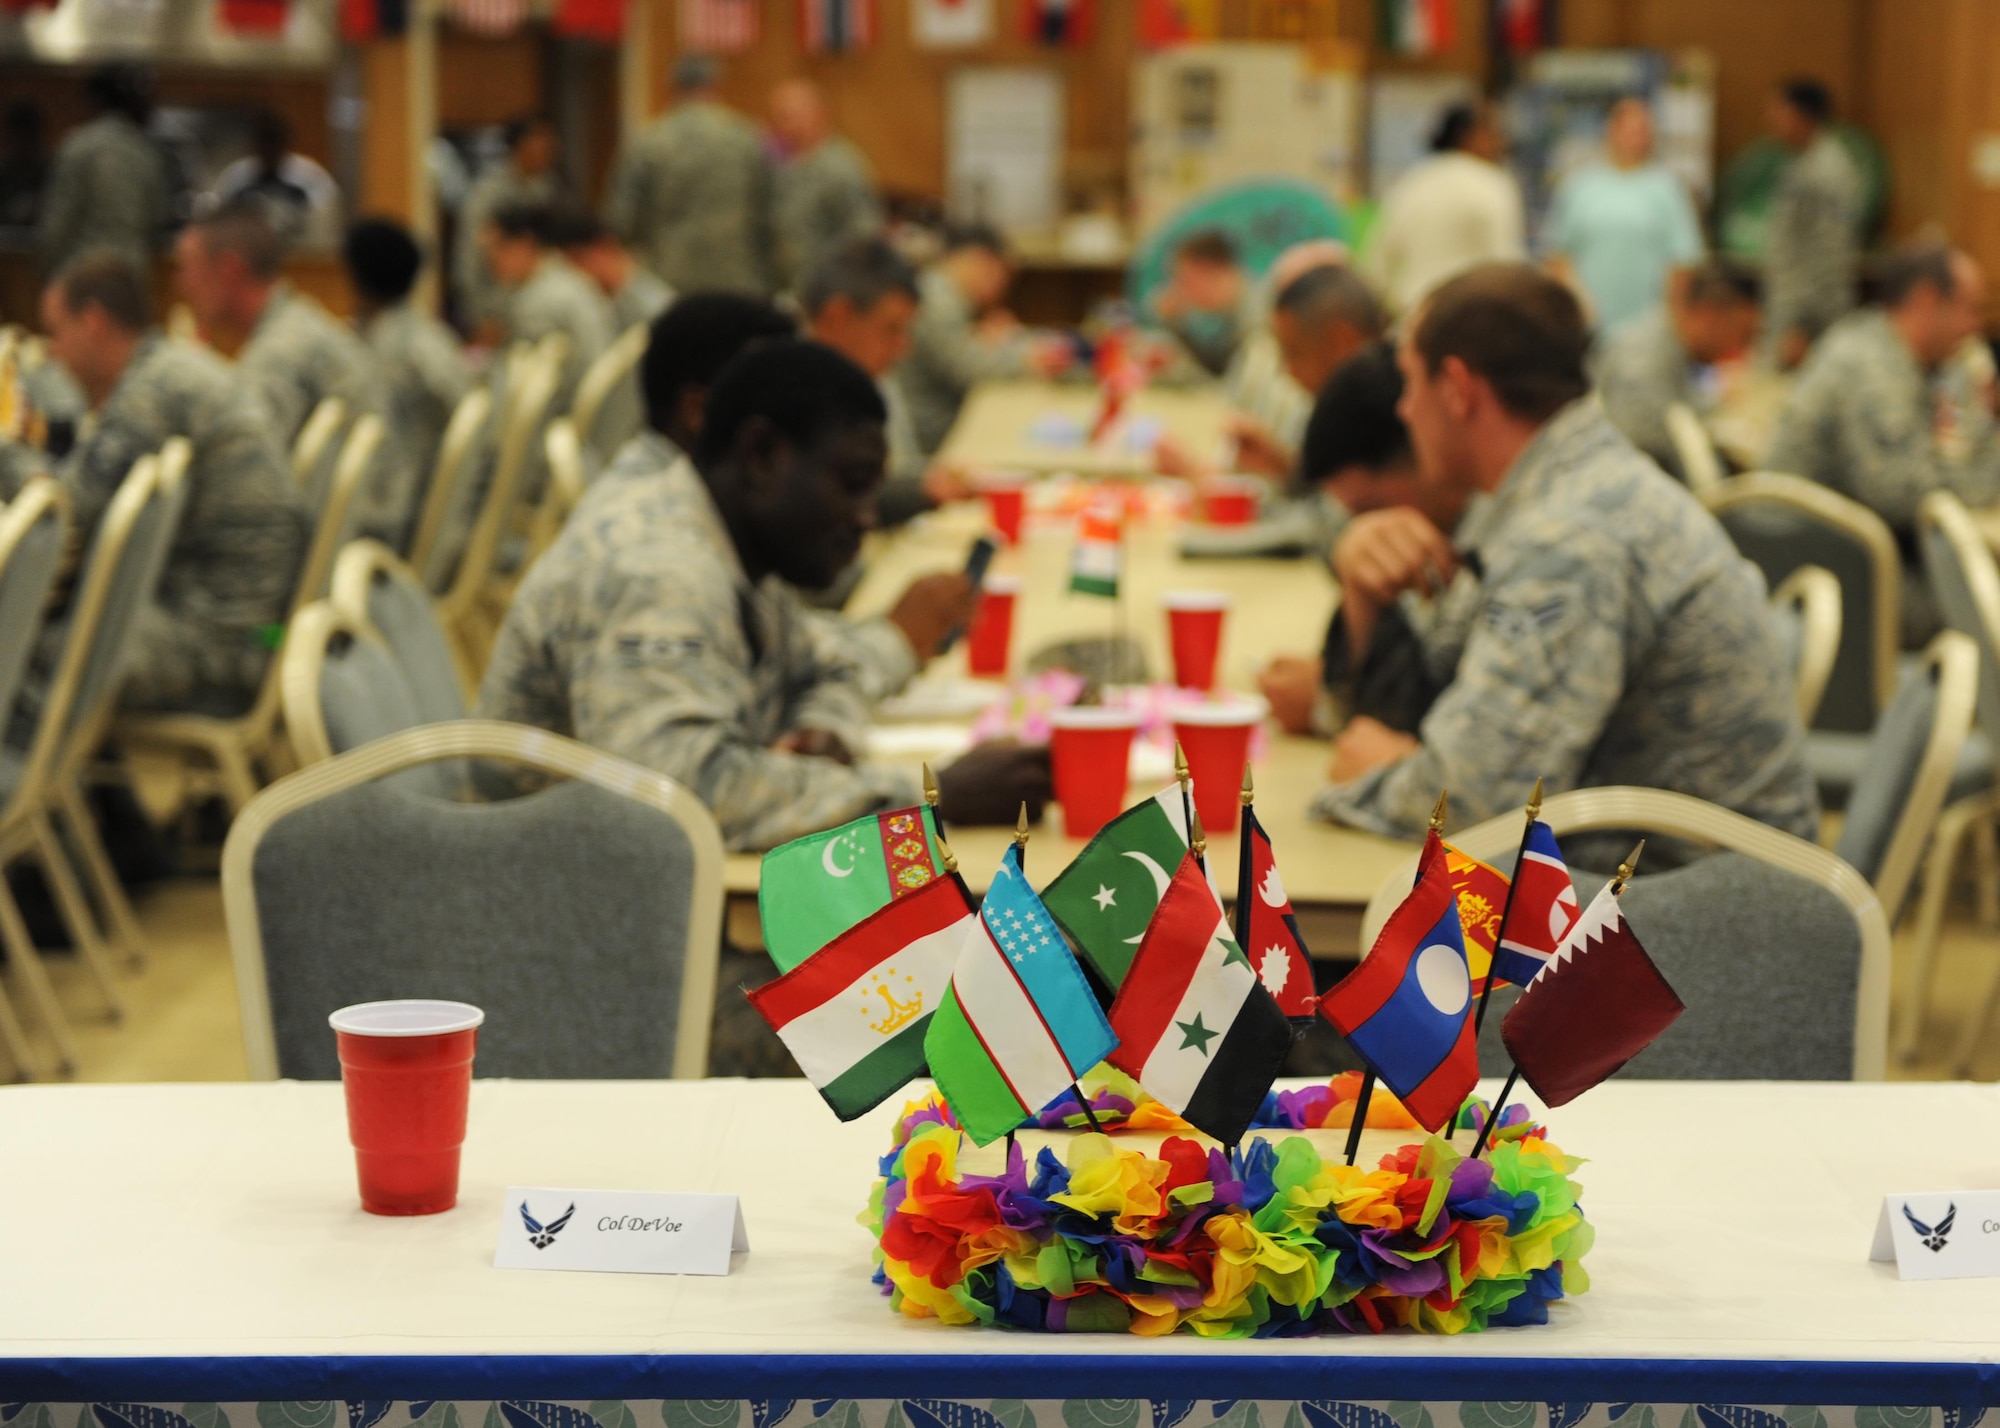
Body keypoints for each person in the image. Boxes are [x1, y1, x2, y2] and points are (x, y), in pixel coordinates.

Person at [1311, 263, 1816, 843]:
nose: (1402, 410)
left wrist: (1390, 776)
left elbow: (1471, 804)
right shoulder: (1555, 491)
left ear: (1456, 389)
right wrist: (1362, 591)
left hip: (1693, 909)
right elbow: (1439, 689)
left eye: (1410, 383)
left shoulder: (1571, 533)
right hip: (1661, 883)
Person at [476, 338, 1045, 852]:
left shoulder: (740, 546)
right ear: (763, 454)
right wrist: (931, 795)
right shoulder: (657, 569)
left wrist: (828, 734)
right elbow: (680, 800)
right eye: (852, 484)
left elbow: (822, 671)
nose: (868, 518)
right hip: (542, 906)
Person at [0, 249, 307, 718]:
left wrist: (5, 451)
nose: (54, 353)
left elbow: (61, 517)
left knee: (16, 636)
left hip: (229, 642)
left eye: (57, 332)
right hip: (259, 625)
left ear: (93, 322)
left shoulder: (154, 393)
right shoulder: (173, 367)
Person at [1765, 244, 1999, 644]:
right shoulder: (1875, 368)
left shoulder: (1874, 343)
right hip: (1837, 583)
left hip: (1822, 568)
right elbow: (1902, 494)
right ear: (1927, 299)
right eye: (1969, 308)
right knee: (1984, 606)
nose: (1974, 328)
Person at [1257, 341, 1470, 738]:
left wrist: (1329, 708)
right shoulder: (1435, 539)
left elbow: (1438, 733)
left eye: (1371, 507)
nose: (1367, 530)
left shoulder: (1498, 543)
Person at [176, 200, 411, 541]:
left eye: (188, 268)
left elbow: (239, 483)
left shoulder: (277, 356)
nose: (182, 284)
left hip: (349, 542)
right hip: (372, 525)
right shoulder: (299, 323)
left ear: (228, 270)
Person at [801, 235, 967, 526]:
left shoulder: (871, 376)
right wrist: (921, 490)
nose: (902, 349)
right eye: (891, 329)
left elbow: (894, 468)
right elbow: (830, 498)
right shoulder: (789, 389)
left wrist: (930, 478)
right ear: (837, 316)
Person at [899, 222, 1070, 456]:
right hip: (938, 433)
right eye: (1005, 273)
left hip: (949, 421)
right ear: (982, 261)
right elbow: (969, 370)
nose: (1005, 287)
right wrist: (1026, 359)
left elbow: (969, 352)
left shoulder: (945, 294)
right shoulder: (936, 302)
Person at [607, 55, 772, 297]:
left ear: (673, 88)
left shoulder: (649, 142)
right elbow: (771, 211)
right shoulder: (748, 138)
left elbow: (620, 218)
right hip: (737, 276)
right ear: (715, 86)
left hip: (668, 278)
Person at [343, 217, 471, 524]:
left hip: (407, 514)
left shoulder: (388, 353)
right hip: (447, 504)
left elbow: (383, 462)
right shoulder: (430, 333)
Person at [1544, 96, 1704, 333]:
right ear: (1610, 131)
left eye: (1643, 131)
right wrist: (1577, 305)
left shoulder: (1669, 189)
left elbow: (1683, 260)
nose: (1636, 139)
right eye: (1628, 130)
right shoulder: (1579, 186)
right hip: (1587, 326)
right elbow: (1557, 255)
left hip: (1647, 328)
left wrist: (1670, 317)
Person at [1596, 257, 1762, 476]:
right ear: (1708, 315)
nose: (1746, 350)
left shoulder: (1669, 351)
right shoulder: (1643, 364)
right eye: (1744, 334)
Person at [1361, 101, 1525, 315]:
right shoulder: (1492, 183)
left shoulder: (1412, 182)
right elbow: (1506, 263)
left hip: (1412, 315)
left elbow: (1378, 263)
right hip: (1470, 317)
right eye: (1494, 131)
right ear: (1469, 136)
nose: (1502, 141)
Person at [1762, 78, 1864, 370]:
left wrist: (1802, 326)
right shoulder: (1803, 162)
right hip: (1791, 310)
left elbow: (1829, 256)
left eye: (1777, 110)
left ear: (1799, 115)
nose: (1770, 119)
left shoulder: (1827, 171)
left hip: (1810, 323)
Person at [35, 65, 172, 277]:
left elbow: (59, 221)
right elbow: (157, 214)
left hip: (82, 270)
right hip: (130, 270)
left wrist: (44, 268)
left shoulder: (78, 145)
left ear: (93, 101)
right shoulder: (145, 151)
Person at [480, 201, 617, 407]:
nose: (489, 259)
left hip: (569, 411)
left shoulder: (538, 302)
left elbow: (519, 389)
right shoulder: (564, 276)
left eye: (496, 247)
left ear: (524, 244)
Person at [768, 78, 882, 293]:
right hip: (792, 288)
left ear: (819, 114)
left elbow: (864, 238)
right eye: (779, 117)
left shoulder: (841, 168)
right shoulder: (784, 164)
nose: (785, 125)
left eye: (792, 116)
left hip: (829, 296)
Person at [455, 114, 559, 339]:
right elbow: (469, 257)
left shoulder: (550, 189)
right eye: (536, 144)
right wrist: (479, 316)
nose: (543, 152)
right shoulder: (488, 193)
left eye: (548, 146)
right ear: (517, 147)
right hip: (493, 305)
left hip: (539, 296)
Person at [209, 110, 343, 253]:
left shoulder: (312, 178)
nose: (267, 153)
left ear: (283, 146)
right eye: (262, 147)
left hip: (300, 256)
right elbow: (219, 221)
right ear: (254, 146)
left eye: (272, 147)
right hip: (248, 255)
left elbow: (326, 232)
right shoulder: (237, 178)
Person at [1147, 229, 1256, 378]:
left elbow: (1221, 378)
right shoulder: (1240, 310)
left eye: (1184, 281)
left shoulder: (1255, 319)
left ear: (1207, 270)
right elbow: (1217, 369)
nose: (1181, 292)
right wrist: (1175, 324)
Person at [550, 206, 674, 332]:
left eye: (578, 259)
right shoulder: (606, 301)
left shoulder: (655, 307)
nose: (575, 271)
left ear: (604, 246)